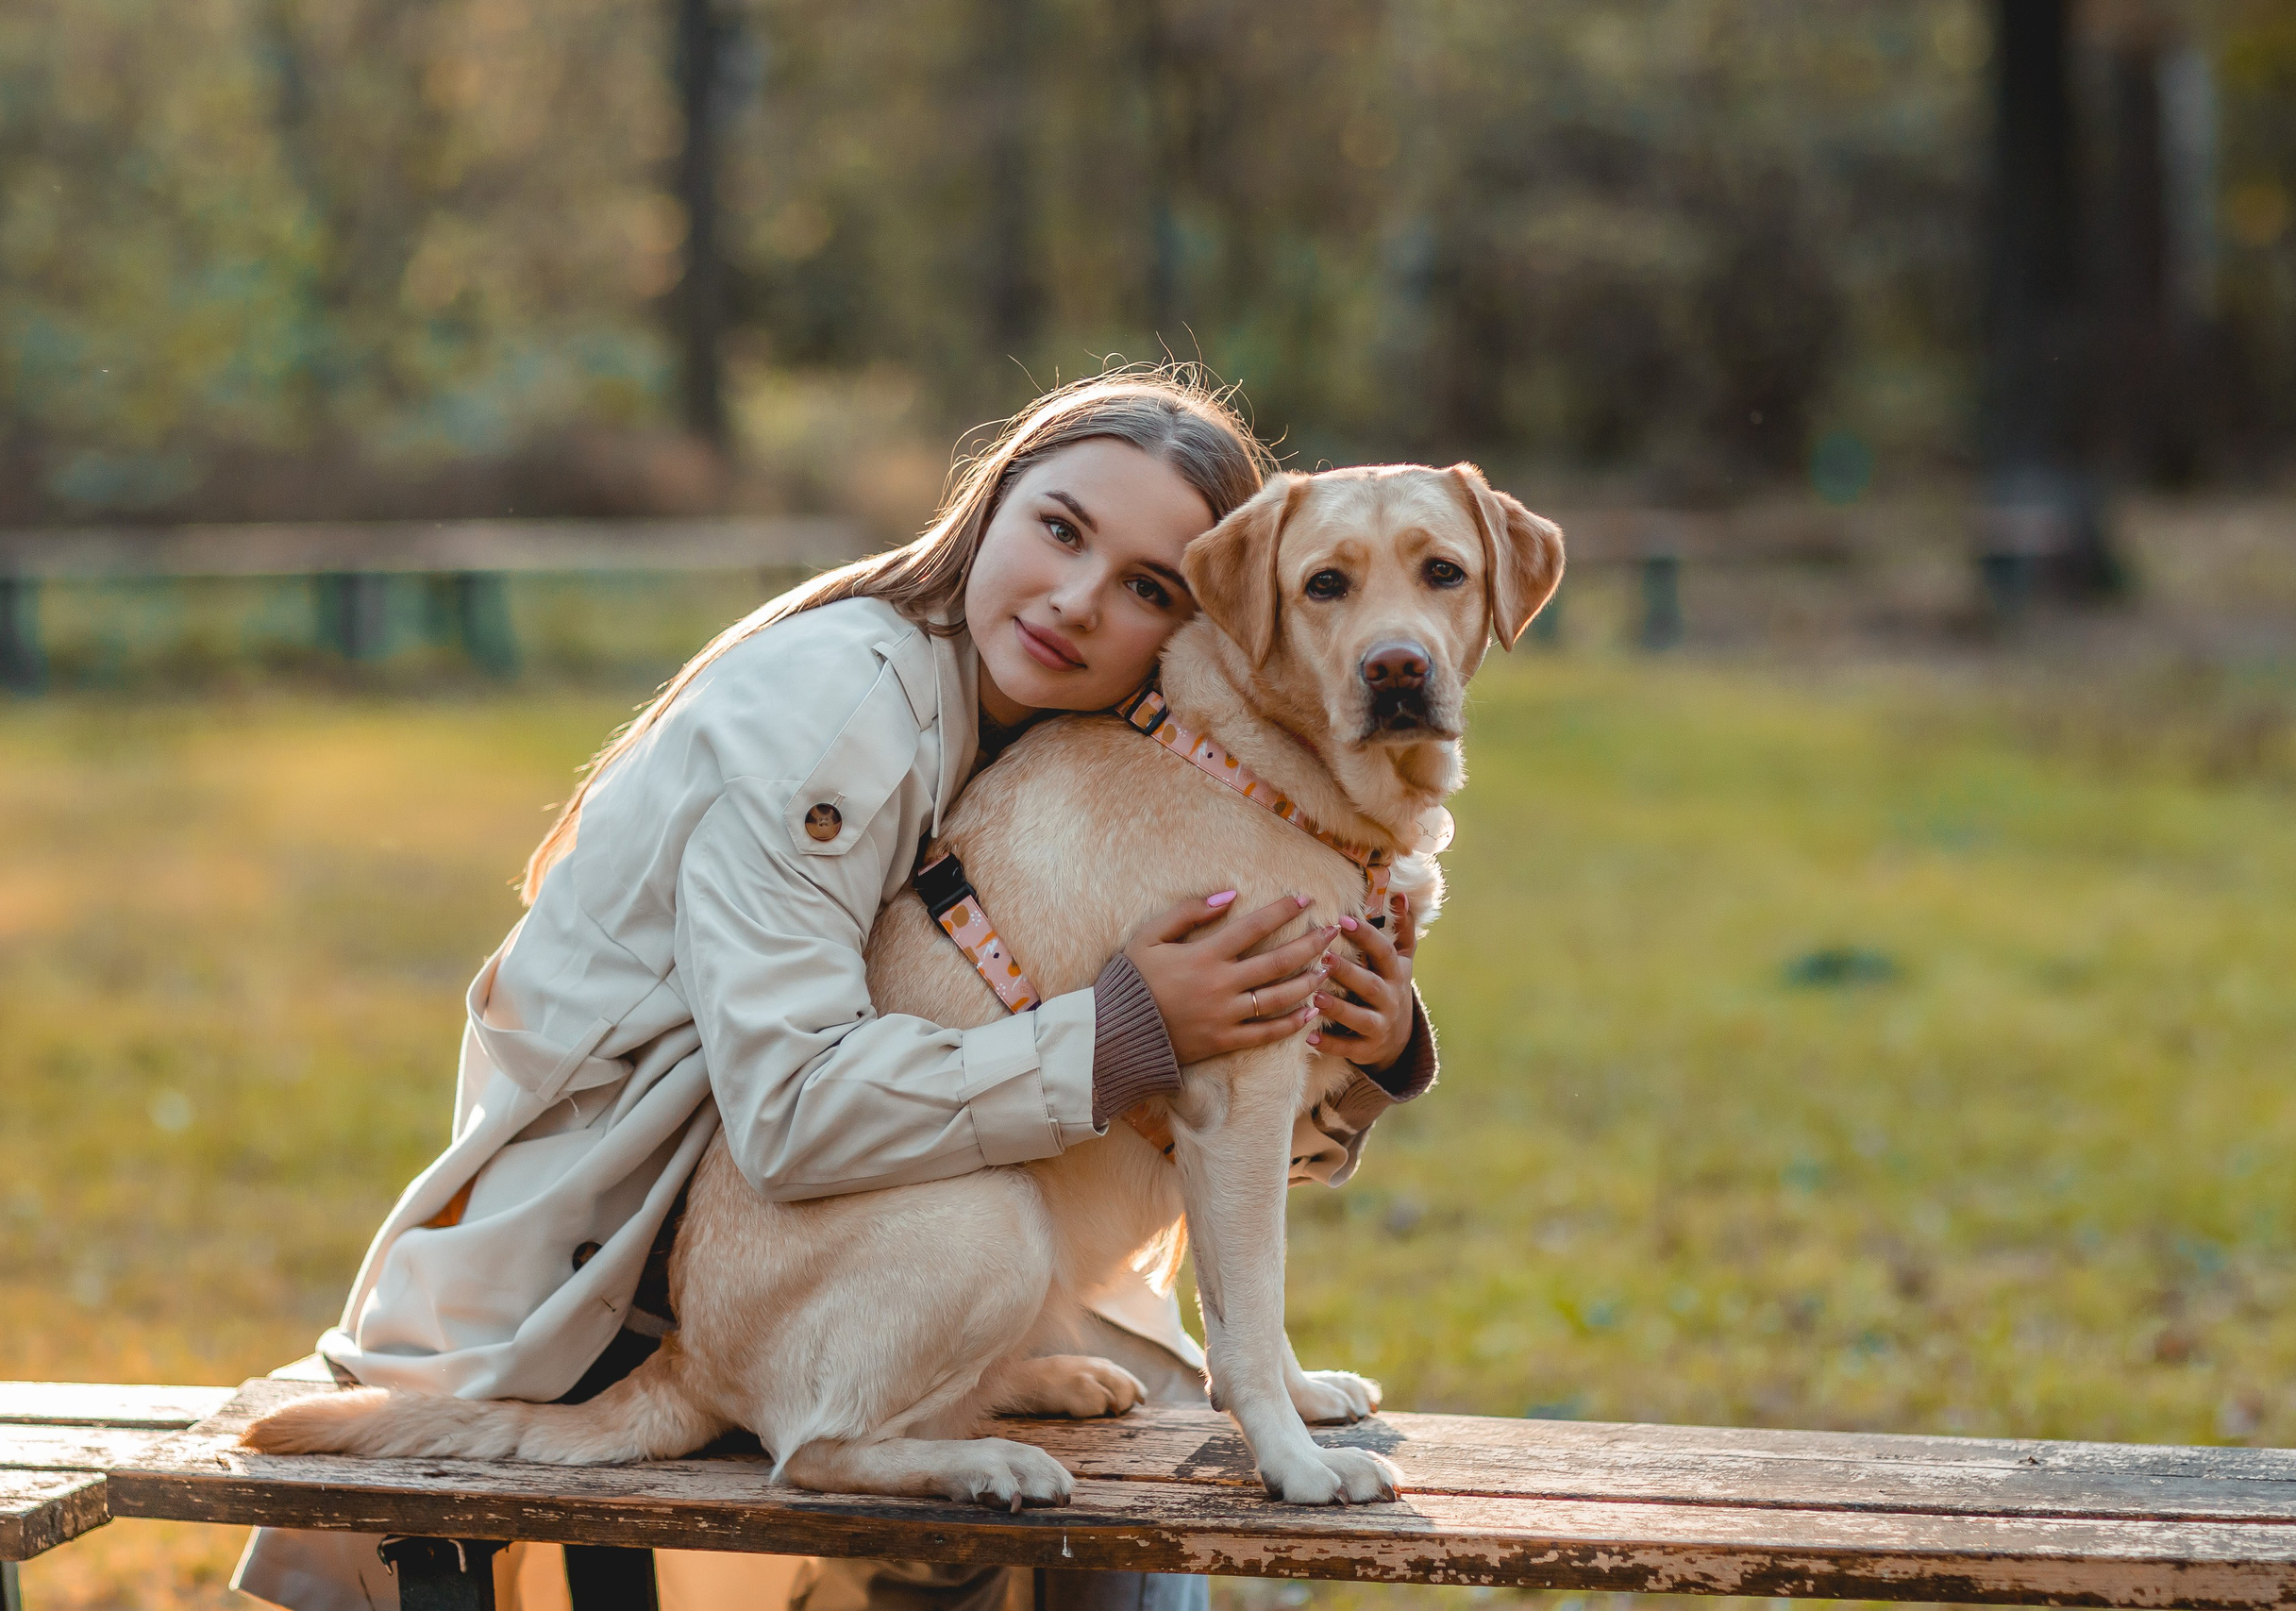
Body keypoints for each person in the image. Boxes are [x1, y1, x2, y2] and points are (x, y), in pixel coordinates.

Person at [233, 369, 1438, 1611]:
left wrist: (1377, 1050)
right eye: (1060, 529)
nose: (1078, 602)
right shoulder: (835, 708)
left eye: (1148, 587)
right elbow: (797, 1110)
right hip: (619, 1283)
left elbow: (1186, 1122)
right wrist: (1124, 1033)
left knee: (1138, 1495)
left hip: (851, 1243)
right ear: (989, 504)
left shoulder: (1076, 745)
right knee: (1070, 1533)